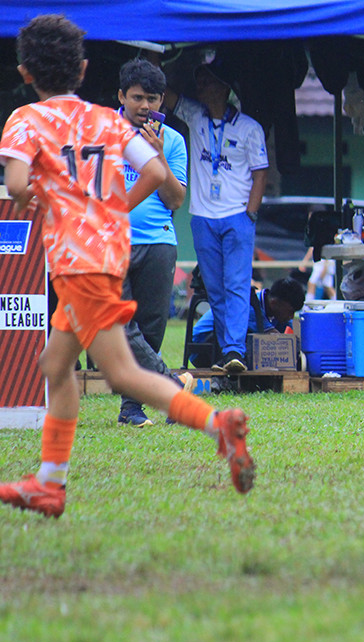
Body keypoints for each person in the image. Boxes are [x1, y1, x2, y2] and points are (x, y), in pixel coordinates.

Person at [0, 15, 255, 518]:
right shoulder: (109, 120)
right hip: (108, 251)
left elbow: (16, 185)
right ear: (85, 68)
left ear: (26, 72)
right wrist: (112, 207)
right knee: (55, 364)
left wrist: (52, 200)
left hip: (77, 261)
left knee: (120, 372)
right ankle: (50, 483)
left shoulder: (25, 119)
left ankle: (218, 424)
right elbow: (158, 171)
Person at [163, 57, 268, 374]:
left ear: (225, 88)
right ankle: (228, 350)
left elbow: (260, 174)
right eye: (200, 81)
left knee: (236, 285)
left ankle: (234, 348)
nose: (201, 86)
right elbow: (165, 96)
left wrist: (250, 213)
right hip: (202, 218)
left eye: (208, 80)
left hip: (237, 216)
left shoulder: (250, 128)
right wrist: (158, 57)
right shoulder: (195, 117)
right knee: (215, 287)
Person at [115, 57, 189, 426]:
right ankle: (171, 387)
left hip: (159, 241)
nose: (146, 106)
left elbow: (175, 201)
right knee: (120, 322)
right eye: (138, 97)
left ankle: (133, 407)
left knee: (152, 326)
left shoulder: (173, 140)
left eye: (154, 99)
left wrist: (157, 154)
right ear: (122, 96)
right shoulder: (103, 134)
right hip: (110, 240)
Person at [189, 276, 305, 367]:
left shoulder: (275, 311)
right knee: (265, 342)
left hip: (218, 344)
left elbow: (295, 336)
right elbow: (277, 339)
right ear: (274, 303)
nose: (291, 317)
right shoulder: (250, 305)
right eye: (290, 311)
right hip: (202, 347)